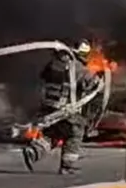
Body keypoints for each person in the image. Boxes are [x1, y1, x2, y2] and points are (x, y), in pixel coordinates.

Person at [22, 39, 99, 175]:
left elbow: (44, 76)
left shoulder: (54, 64)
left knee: (54, 134)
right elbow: (91, 83)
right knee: (74, 134)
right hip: (67, 110)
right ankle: (67, 166)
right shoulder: (79, 68)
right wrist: (98, 80)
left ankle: (34, 151)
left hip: (50, 107)